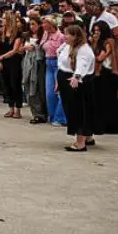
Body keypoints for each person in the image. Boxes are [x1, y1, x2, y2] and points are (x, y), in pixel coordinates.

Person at [59, 24, 96, 152]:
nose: (65, 36)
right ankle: (88, 137)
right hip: (66, 78)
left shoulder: (84, 49)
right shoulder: (67, 46)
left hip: (76, 81)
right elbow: (61, 62)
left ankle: (80, 143)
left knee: (78, 111)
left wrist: (76, 77)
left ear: (75, 36)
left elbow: (82, 64)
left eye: (67, 34)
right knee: (73, 109)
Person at [0, 11, 24, 119]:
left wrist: (0, 58)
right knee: (6, 84)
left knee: (15, 84)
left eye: (4, 18)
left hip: (14, 61)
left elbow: (14, 50)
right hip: (3, 61)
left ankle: (18, 109)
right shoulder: (0, 31)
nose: (2, 20)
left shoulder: (18, 32)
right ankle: (11, 107)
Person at [40, 16, 67, 125]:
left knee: (59, 91)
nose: (43, 25)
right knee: (49, 93)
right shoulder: (46, 34)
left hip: (58, 63)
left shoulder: (61, 36)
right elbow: (41, 45)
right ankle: (52, 116)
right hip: (48, 62)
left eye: (45, 23)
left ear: (52, 24)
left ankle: (60, 118)